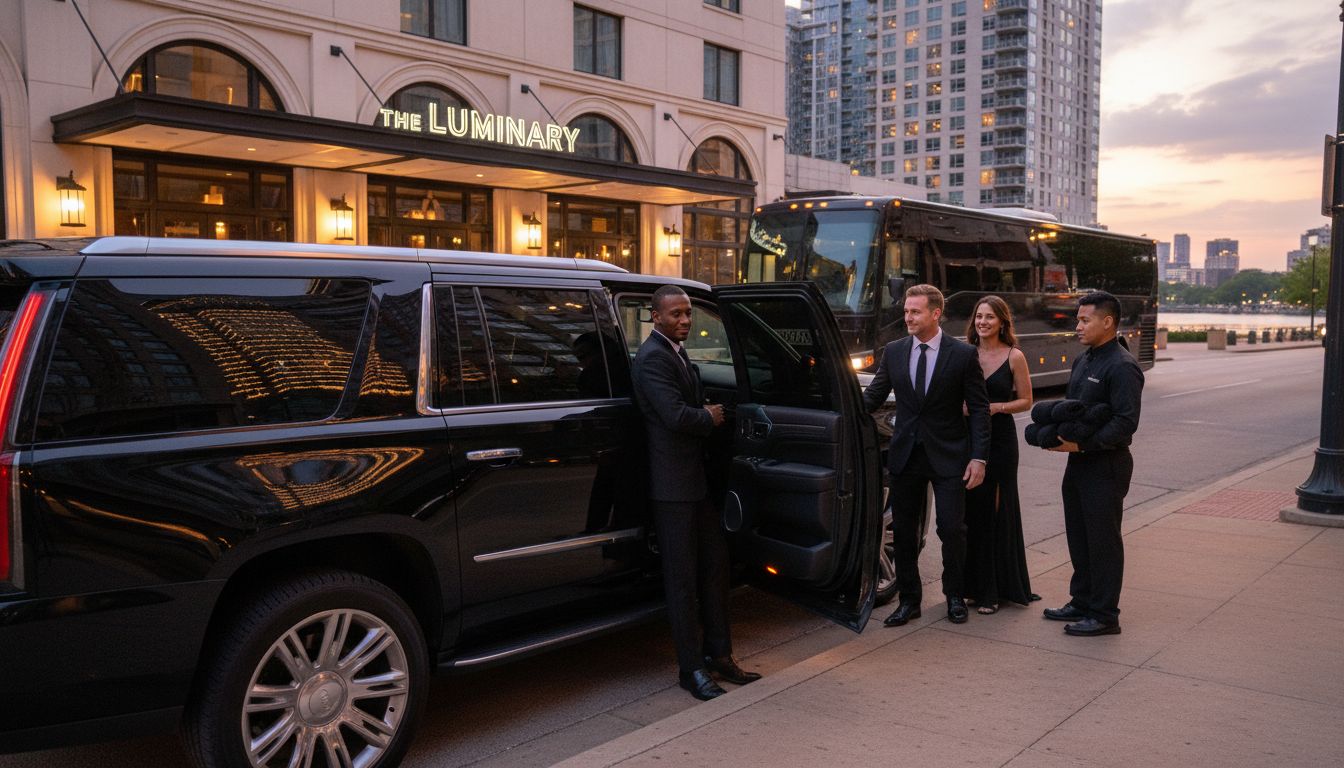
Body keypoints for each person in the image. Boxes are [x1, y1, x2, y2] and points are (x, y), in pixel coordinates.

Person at [631, 285, 761, 700]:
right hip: (672, 488)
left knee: (715, 567)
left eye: (688, 313)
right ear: (656, 316)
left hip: (695, 483)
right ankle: (691, 670)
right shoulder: (653, 358)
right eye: (676, 314)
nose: (685, 320)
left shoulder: (676, 351)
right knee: (682, 581)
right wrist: (710, 415)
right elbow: (675, 416)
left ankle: (719, 655)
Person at [862, 284, 991, 627]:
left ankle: (954, 596)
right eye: (906, 311)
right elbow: (872, 398)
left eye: (915, 312)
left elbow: (979, 410)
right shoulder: (894, 351)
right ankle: (909, 601)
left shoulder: (962, 355)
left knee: (951, 528)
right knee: (904, 532)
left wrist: (979, 458)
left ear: (936, 314)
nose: (908, 317)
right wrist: (836, 411)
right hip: (906, 457)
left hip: (949, 456)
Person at [1043, 291, 1144, 637]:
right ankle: (1082, 600)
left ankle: (1104, 615)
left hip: (1106, 464)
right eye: (1078, 319)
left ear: (1108, 322)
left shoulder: (1122, 366)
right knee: (1079, 536)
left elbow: (1126, 422)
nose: (1078, 326)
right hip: (1079, 463)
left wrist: (1082, 443)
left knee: (1103, 542)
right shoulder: (1083, 360)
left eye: (1085, 320)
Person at [962, 296, 1037, 614]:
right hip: (968, 439)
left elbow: (1027, 401)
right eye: (979, 316)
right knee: (971, 514)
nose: (983, 322)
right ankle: (972, 587)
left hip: (1001, 442)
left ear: (1002, 322)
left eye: (990, 317)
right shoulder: (965, 353)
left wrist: (996, 407)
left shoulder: (1014, 356)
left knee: (995, 513)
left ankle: (992, 591)